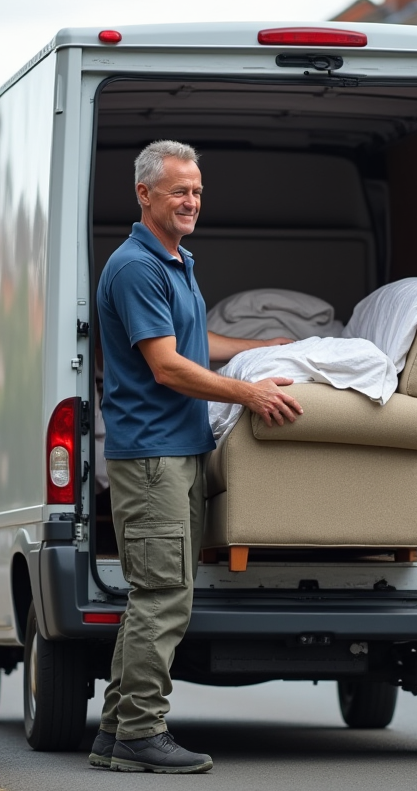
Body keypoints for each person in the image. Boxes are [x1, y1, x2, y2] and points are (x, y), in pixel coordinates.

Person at [89, 140, 303, 774]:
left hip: (180, 451)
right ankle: (142, 734)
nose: (191, 201)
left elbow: (194, 340)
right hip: (152, 458)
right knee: (161, 596)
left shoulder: (175, 261)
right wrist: (250, 392)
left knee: (156, 594)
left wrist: (262, 347)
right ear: (145, 195)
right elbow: (167, 366)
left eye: (198, 192)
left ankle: (115, 730)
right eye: (179, 190)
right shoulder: (135, 266)